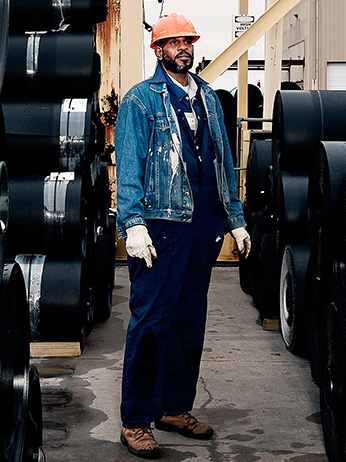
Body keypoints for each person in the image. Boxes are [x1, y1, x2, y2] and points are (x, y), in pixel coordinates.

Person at [115, 12, 251, 459]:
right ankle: (136, 420)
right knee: (152, 323)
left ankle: (173, 408)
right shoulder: (141, 100)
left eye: (187, 40)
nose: (183, 48)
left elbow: (222, 160)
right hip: (159, 230)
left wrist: (235, 217)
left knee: (189, 322)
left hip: (202, 229)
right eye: (172, 42)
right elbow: (130, 165)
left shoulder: (208, 98)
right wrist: (132, 224)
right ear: (158, 50)